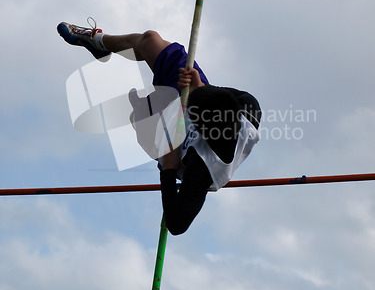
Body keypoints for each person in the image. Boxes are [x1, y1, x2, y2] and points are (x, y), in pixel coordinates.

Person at [57, 19, 261, 235]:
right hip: (202, 99)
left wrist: (169, 169)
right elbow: (210, 99)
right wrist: (197, 85)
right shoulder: (243, 106)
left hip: (174, 149)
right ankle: (98, 43)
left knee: (136, 114)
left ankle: (152, 111)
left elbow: (177, 224)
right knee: (150, 40)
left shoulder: (200, 170)